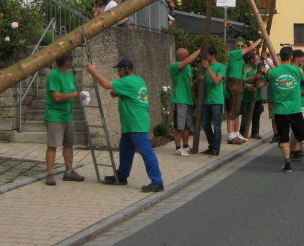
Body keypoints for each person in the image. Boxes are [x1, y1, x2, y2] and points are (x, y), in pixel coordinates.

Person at [93, 59, 164, 192]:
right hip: (131, 124)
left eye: (118, 70)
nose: (117, 73)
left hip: (136, 124)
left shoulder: (127, 81)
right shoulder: (139, 80)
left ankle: (157, 181)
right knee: (125, 150)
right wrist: (119, 93)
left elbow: (106, 84)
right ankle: (121, 175)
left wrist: (93, 72)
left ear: (123, 70)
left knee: (146, 152)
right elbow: (136, 96)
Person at [258, 47, 304, 172]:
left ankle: (287, 164)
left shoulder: (272, 73)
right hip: (295, 109)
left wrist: (254, 82)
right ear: (291, 57)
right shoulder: (298, 71)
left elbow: (261, 84)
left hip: (280, 110)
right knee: (302, 137)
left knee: (284, 138)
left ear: (280, 57)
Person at [43, 53, 85, 185]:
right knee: (53, 145)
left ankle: (69, 171)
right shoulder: (54, 76)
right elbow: (57, 96)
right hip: (55, 116)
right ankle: (49, 174)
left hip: (68, 115)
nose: (73, 60)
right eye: (71, 58)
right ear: (66, 61)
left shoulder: (70, 75)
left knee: (69, 144)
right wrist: (74, 95)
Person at [225, 38, 262, 145]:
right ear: (235, 46)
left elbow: (244, 72)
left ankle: (236, 133)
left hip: (239, 83)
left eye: (242, 46)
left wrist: (254, 68)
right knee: (232, 111)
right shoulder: (233, 54)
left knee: (236, 111)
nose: (240, 48)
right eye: (238, 45)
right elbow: (250, 48)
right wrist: (260, 39)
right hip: (234, 84)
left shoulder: (240, 60)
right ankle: (231, 135)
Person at [169, 47, 201, 156]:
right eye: (187, 55)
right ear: (182, 57)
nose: (189, 57)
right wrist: (199, 50)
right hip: (179, 99)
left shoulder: (188, 68)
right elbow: (188, 61)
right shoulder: (175, 66)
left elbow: (191, 83)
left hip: (188, 100)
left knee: (187, 125)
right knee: (179, 126)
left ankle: (186, 145)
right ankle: (178, 148)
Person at [196, 51, 226, 156]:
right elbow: (197, 84)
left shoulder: (221, 67)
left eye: (207, 55)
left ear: (212, 55)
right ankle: (212, 145)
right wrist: (199, 80)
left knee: (217, 126)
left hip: (216, 100)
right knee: (205, 124)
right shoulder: (202, 68)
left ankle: (216, 149)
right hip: (206, 100)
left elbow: (217, 81)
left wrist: (208, 68)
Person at [240, 52, 265, 139]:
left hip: (258, 96)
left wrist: (259, 84)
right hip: (247, 97)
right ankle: (242, 132)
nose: (258, 59)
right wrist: (253, 78)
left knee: (256, 116)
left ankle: (255, 132)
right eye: (256, 58)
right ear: (251, 60)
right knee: (246, 116)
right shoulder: (245, 68)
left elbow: (263, 79)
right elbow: (242, 79)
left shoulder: (259, 67)